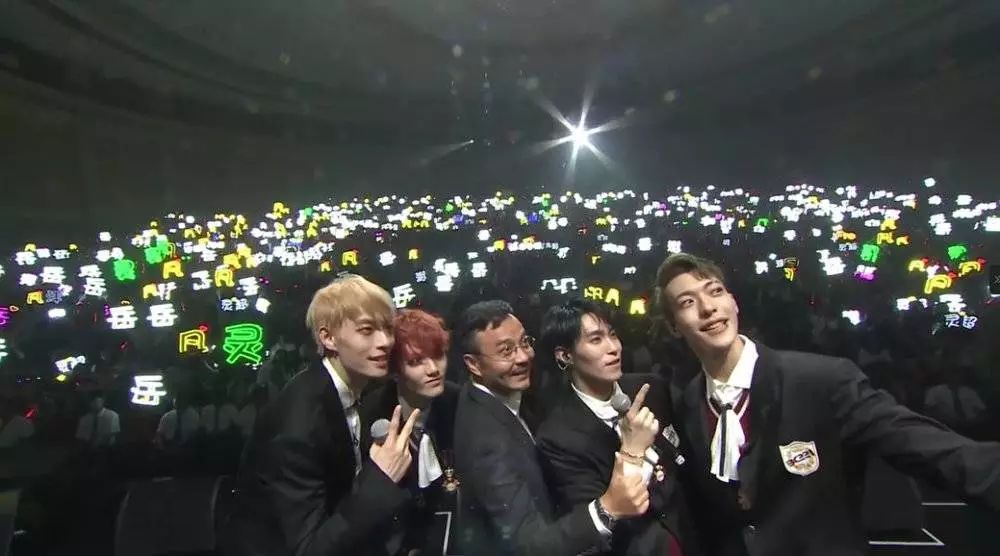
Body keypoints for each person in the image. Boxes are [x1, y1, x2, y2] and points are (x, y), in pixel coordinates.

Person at [653, 253, 1000, 556]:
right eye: (687, 302)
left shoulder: (820, 381)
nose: (708, 307)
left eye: (715, 291)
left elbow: (922, 443)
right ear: (673, 327)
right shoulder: (686, 406)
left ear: (734, 301)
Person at [223, 274, 420, 556]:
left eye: (388, 328)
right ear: (328, 338)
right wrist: (381, 477)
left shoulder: (356, 392)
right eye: (366, 330)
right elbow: (309, 549)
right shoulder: (300, 423)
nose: (385, 341)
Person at [452, 300, 651, 556]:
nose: (523, 357)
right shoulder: (485, 441)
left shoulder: (509, 396)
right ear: (473, 364)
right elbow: (528, 545)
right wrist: (607, 508)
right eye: (506, 351)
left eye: (525, 343)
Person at [535, 299, 697, 555]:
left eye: (612, 335)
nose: (613, 348)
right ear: (565, 355)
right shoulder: (557, 437)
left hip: (690, 538)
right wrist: (633, 449)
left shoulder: (651, 388)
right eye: (596, 340)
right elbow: (606, 519)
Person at [361, 308, 461, 555]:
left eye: (438, 355)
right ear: (394, 371)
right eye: (416, 362)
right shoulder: (371, 414)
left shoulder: (459, 402)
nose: (433, 369)